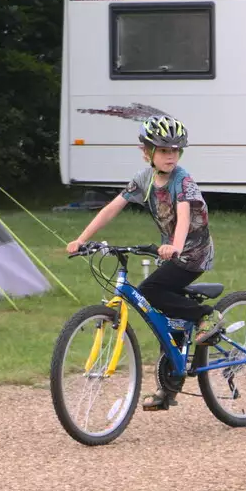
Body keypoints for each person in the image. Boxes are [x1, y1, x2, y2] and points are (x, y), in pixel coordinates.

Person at [66, 115, 221, 410]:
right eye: (163, 150)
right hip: (172, 251)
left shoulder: (182, 181)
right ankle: (170, 387)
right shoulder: (143, 180)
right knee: (163, 313)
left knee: (150, 290)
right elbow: (114, 207)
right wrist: (82, 238)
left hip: (194, 251)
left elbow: (185, 215)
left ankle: (206, 315)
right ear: (146, 152)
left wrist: (174, 247)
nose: (170, 156)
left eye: (175, 150)